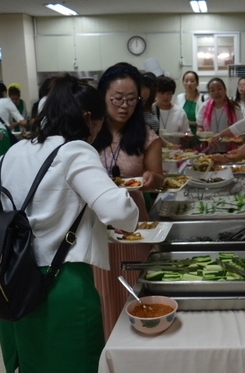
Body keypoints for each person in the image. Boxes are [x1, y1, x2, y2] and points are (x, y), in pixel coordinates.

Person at [0, 74, 140, 373]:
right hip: (62, 288)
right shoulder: (75, 151)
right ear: (89, 118)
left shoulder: (15, 151)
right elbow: (120, 213)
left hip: (15, 281)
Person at [92, 62, 165, 337]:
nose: (125, 106)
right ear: (103, 97)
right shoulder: (87, 134)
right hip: (96, 224)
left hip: (133, 225)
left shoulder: (147, 136)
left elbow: (159, 177)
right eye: (117, 99)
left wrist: (151, 178)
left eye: (132, 100)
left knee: (132, 291)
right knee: (101, 294)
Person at [197, 77, 243, 153]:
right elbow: (199, 127)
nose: (216, 92)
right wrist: (201, 133)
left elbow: (241, 128)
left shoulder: (234, 108)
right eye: (212, 90)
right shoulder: (204, 107)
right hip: (209, 150)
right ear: (209, 93)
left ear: (225, 90)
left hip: (229, 150)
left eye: (219, 89)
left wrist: (239, 139)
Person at [153, 76, 191, 148]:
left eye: (168, 93)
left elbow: (187, 132)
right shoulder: (151, 110)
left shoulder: (180, 112)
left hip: (174, 154)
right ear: (155, 93)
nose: (165, 97)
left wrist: (187, 136)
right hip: (154, 152)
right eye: (162, 93)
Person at [174, 70, 207, 135]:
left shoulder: (204, 99)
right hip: (183, 136)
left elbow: (206, 120)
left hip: (199, 135)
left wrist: (190, 123)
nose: (189, 84)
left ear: (197, 83)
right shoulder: (179, 97)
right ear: (183, 83)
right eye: (186, 81)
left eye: (192, 81)